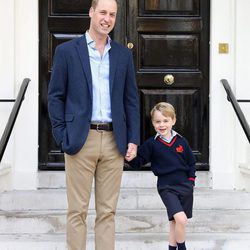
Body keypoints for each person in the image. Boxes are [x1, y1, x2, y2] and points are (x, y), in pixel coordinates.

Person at [47, 0, 140, 249]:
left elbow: (131, 100)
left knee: (107, 212)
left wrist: (133, 138)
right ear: (91, 12)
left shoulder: (122, 54)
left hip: (114, 142)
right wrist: (61, 134)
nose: (107, 19)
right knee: (77, 211)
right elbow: (55, 96)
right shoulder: (67, 51)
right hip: (80, 139)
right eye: (102, 12)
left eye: (112, 14)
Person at [127, 102, 196, 250]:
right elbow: (139, 162)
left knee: (175, 223)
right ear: (153, 123)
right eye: (158, 121)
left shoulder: (181, 141)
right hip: (167, 187)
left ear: (173, 121)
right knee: (181, 220)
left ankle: (172, 248)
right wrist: (130, 158)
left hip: (185, 187)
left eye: (166, 121)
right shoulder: (151, 144)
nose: (162, 125)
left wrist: (191, 182)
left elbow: (191, 163)